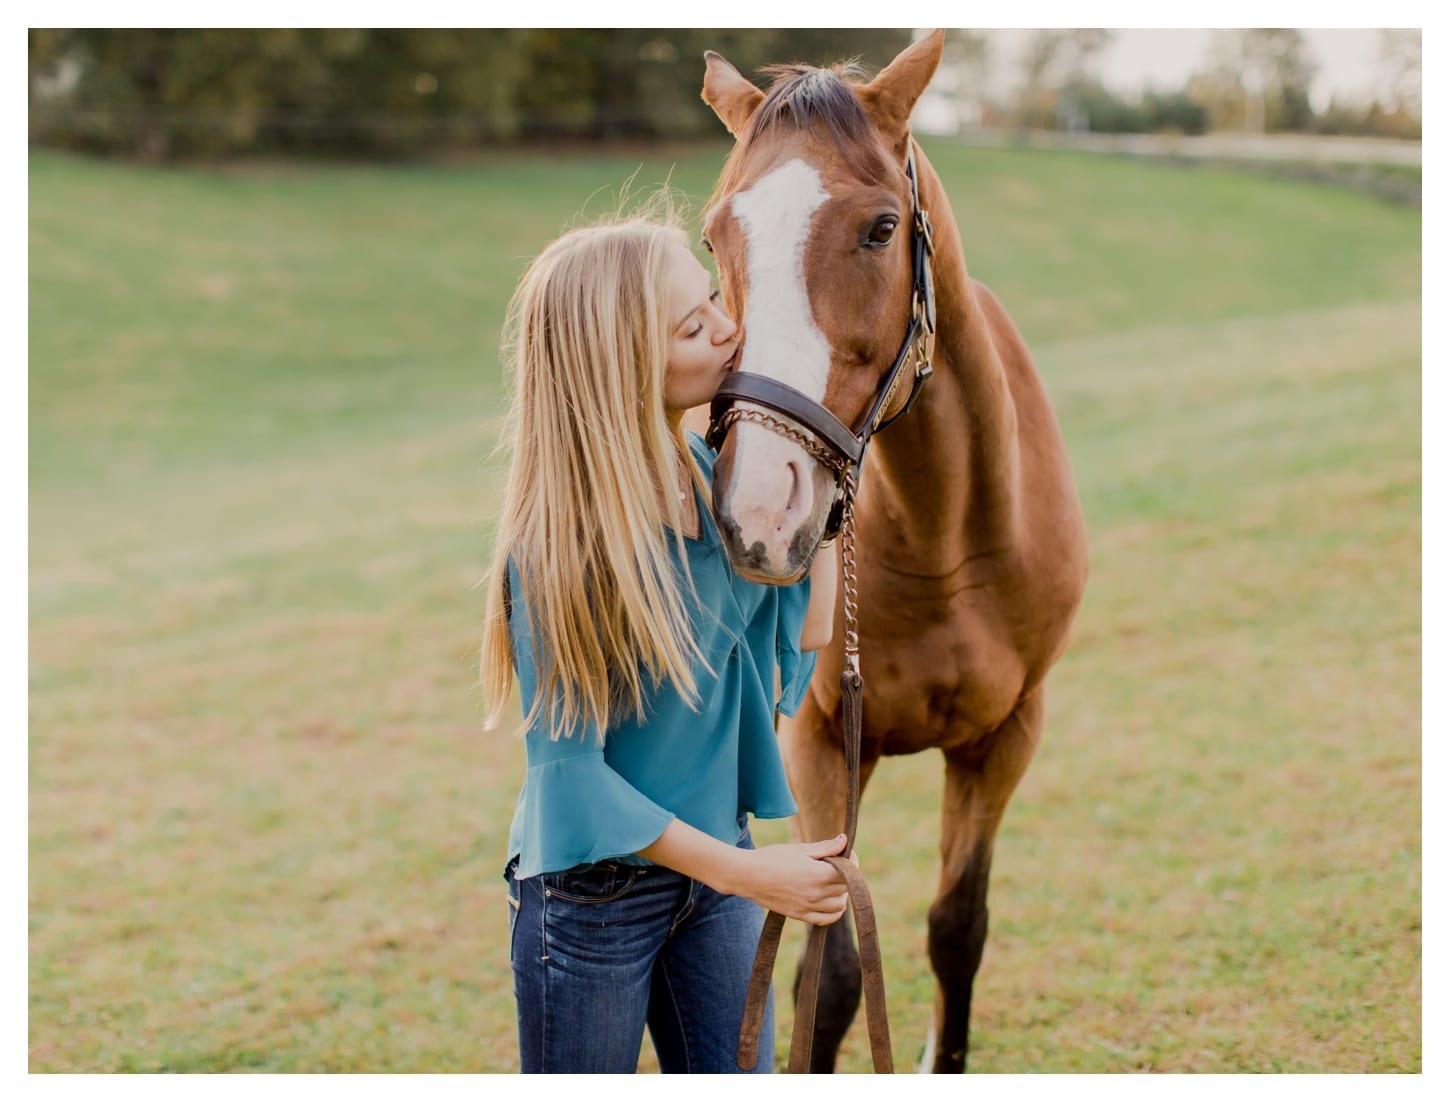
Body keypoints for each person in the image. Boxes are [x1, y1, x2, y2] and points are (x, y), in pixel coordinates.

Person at [480, 201, 846, 1074]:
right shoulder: (561, 550)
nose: (730, 330)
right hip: (592, 899)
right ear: (625, 364)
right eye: (695, 326)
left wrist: (824, 510)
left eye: (715, 301)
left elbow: (789, 653)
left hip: (717, 876)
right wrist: (749, 876)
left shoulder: (711, 482)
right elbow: (571, 780)